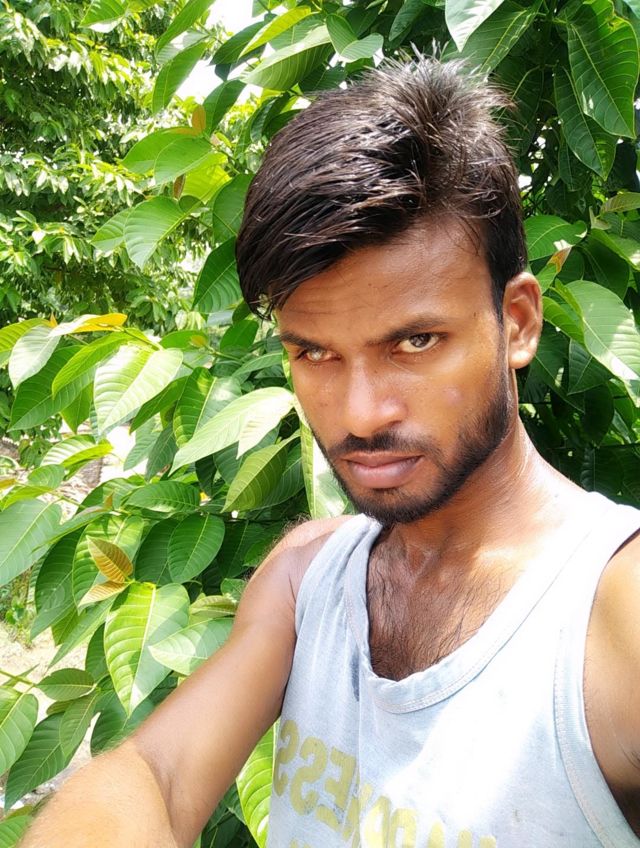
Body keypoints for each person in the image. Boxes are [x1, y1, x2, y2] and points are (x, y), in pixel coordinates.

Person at [21, 59, 640, 848]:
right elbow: (157, 775)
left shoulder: (610, 614)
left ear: (517, 323)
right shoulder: (306, 578)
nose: (360, 415)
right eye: (314, 353)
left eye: (416, 342)